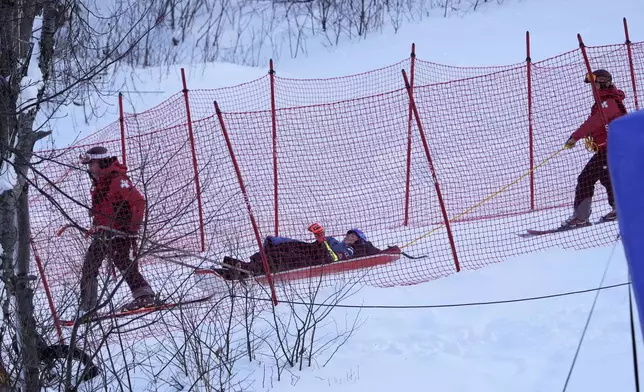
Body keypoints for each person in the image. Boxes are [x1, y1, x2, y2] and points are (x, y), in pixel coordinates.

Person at [78, 146, 157, 317]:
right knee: (89, 266)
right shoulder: (100, 182)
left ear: (100, 162)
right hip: (103, 233)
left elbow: (139, 202)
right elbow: (105, 209)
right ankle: (87, 308)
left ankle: (145, 296)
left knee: (122, 261)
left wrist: (131, 229)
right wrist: (96, 227)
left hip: (119, 233)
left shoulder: (117, 180)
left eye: (91, 164)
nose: (89, 168)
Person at [560, 69, 627, 229]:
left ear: (602, 83)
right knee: (607, 178)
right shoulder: (605, 101)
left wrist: (575, 137)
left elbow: (594, 122)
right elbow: (596, 124)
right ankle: (620, 209)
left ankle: (580, 217)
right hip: (609, 149)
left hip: (611, 149)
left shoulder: (608, 102)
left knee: (585, 179)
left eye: (594, 84)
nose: (592, 88)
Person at [213, 224, 398, 280]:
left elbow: (334, 259)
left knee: (285, 258)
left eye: (354, 236)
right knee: (280, 249)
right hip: (313, 251)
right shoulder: (335, 241)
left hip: (317, 259)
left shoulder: (354, 249)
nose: (350, 237)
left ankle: (247, 272)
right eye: (349, 234)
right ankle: (240, 266)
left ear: (360, 240)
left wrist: (390, 251)